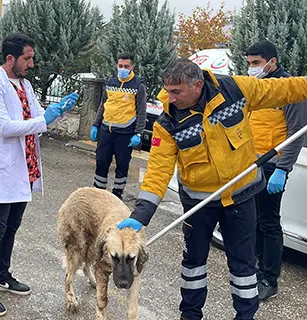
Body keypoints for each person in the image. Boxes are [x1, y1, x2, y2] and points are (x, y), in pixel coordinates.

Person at [117, 58, 307, 320]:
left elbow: (285, 89)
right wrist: (141, 214)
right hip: (199, 204)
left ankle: (245, 315)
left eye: (176, 92)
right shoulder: (168, 123)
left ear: (197, 85)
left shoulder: (235, 89)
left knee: (243, 265)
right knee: (193, 266)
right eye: (168, 91)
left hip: (241, 197)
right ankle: (191, 314)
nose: (170, 99)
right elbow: (158, 171)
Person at [0, 33, 78, 317]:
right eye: (27, 58)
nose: (31, 63)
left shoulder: (26, 84)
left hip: (25, 166)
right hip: (4, 167)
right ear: (10, 58)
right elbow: (6, 126)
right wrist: (43, 119)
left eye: (32, 57)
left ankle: (1, 274)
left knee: (12, 225)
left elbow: (37, 116)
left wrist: (57, 112)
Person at [245, 41, 307, 300]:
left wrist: (283, 169)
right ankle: (257, 270)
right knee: (255, 219)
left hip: (273, 166)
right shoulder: (256, 89)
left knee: (269, 222)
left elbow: (296, 133)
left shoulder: (288, 90)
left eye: (256, 63)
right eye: (249, 64)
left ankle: (269, 279)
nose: (252, 69)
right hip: (251, 164)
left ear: (272, 62)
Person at [90, 52, 147, 199]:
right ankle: (98, 193)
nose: (123, 68)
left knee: (122, 165)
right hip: (106, 130)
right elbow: (103, 105)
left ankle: (117, 194)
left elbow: (141, 112)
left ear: (132, 67)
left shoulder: (138, 86)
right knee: (101, 162)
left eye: (126, 66)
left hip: (125, 133)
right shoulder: (111, 82)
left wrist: (138, 133)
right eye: (120, 65)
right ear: (117, 65)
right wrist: (96, 124)